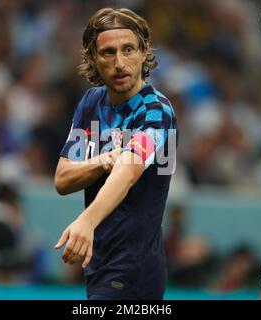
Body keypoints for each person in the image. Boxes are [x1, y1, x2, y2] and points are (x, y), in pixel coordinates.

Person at [54, 8, 178, 300]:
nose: (119, 63)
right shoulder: (91, 102)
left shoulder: (157, 111)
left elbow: (127, 174)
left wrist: (86, 221)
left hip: (135, 269)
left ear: (144, 51)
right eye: (108, 53)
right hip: (99, 264)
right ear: (92, 60)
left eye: (128, 50)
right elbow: (62, 179)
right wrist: (101, 161)